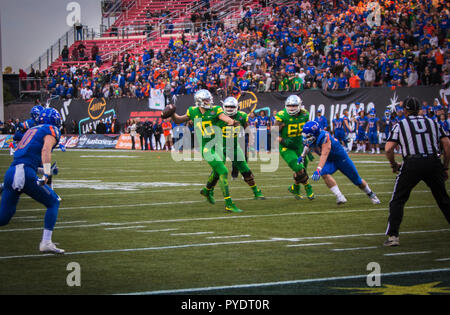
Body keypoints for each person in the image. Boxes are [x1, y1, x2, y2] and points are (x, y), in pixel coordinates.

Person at [384, 96, 450, 247]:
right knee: (443, 199)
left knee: (398, 200)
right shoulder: (433, 122)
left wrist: (394, 164)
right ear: (419, 109)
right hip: (433, 162)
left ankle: (393, 236)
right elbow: (447, 145)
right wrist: (445, 167)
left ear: (405, 111)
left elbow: (388, 149)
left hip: (412, 163)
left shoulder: (401, 125)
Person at [166, 89, 244, 213]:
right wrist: (172, 113)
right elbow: (178, 120)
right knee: (223, 171)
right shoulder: (193, 111)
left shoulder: (216, 110)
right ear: (199, 101)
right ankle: (229, 203)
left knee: (218, 170)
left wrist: (231, 123)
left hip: (217, 145)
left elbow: (227, 119)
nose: (209, 102)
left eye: (209, 99)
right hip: (206, 147)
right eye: (206, 100)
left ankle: (207, 191)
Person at [0, 108, 64, 254]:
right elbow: (45, 150)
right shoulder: (51, 129)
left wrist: (43, 170)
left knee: (3, 218)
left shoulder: (32, 129)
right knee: (53, 201)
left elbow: (28, 158)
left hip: (12, 172)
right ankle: (46, 242)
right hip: (23, 172)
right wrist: (47, 172)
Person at [300, 121, 381, 205]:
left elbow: (324, 154)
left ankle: (371, 194)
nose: (306, 138)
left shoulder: (324, 137)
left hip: (341, 159)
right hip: (331, 160)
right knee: (324, 173)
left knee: (357, 181)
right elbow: (307, 145)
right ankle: (340, 196)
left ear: (315, 133)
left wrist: (318, 169)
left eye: (308, 136)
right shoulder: (314, 138)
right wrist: (302, 156)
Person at [205, 96, 265, 201]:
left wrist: (251, 140)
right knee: (217, 171)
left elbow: (247, 129)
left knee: (245, 169)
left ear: (237, 107)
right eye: (227, 106)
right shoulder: (218, 116)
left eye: (232, 107)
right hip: (219, 146)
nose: (229, 109)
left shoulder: (241, 116)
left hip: (234, 146)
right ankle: (208, 190)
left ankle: (256, 192)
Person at [272, 95, 314, 200]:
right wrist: (282, 139)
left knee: (301, 169)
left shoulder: (305, 114)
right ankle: (308, 187)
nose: (291, 108)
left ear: (299, 105)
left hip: (299, 146)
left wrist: (308, 146)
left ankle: (294, 188)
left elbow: (308, 130)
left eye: (294, 106)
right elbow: (273, 131)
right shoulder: (282, 116)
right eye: (289, 106)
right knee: (299, 168)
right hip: (287, 147)